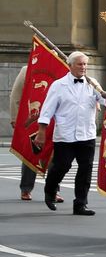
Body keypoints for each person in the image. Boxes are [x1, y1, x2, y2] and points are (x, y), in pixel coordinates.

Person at [35, 51, 106, 216]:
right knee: (62, 166)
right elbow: (47, 110)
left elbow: (104, 100)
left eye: (85, 64)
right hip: (65, 135)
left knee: (85, 170)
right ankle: (50, 189)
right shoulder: (59, 85)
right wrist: (41, 131)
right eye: (80, 64)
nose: (83, 67)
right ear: (70, 65)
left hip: (87, 134)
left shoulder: (92, 83)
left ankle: (80, 204)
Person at [9, 64, 60, 202]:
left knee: (54, 156)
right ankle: (26, 189)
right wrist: (15, 118)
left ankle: (54, 190)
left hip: (54, 120)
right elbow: (16, 95)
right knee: (31, 153)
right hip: (31, 120)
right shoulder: (27, 70)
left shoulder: (61, 68)